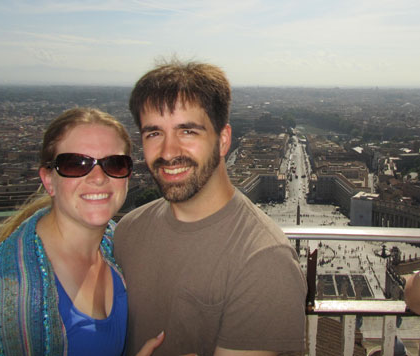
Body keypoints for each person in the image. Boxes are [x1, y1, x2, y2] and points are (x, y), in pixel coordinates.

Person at [114, 60, 307, 355]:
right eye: (154, 133)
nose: (168, 151)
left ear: (223, 140)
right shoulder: (128, 230)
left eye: (188, 131)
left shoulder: (265, 262)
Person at [0, 108, 163, 355]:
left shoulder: (118, 243)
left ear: (127, 176)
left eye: (114, 163)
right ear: (48, 180)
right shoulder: (6, 294)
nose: (98, 177)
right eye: (75, 164)